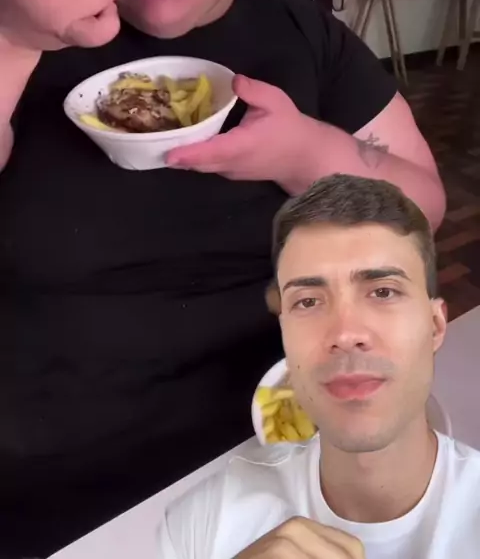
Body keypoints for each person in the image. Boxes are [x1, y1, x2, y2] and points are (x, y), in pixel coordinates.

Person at [0, 0, 445, 554]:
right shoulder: (30, 19)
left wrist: (307, 154)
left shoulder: (302, 34)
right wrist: (11, 34)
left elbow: (422, 203)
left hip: (275, 466)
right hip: (61, 500)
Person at [159, 175, 480, 559]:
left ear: (435, 326)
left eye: (383, 292)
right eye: (308, 301)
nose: (345, 334)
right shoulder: (203, 524)